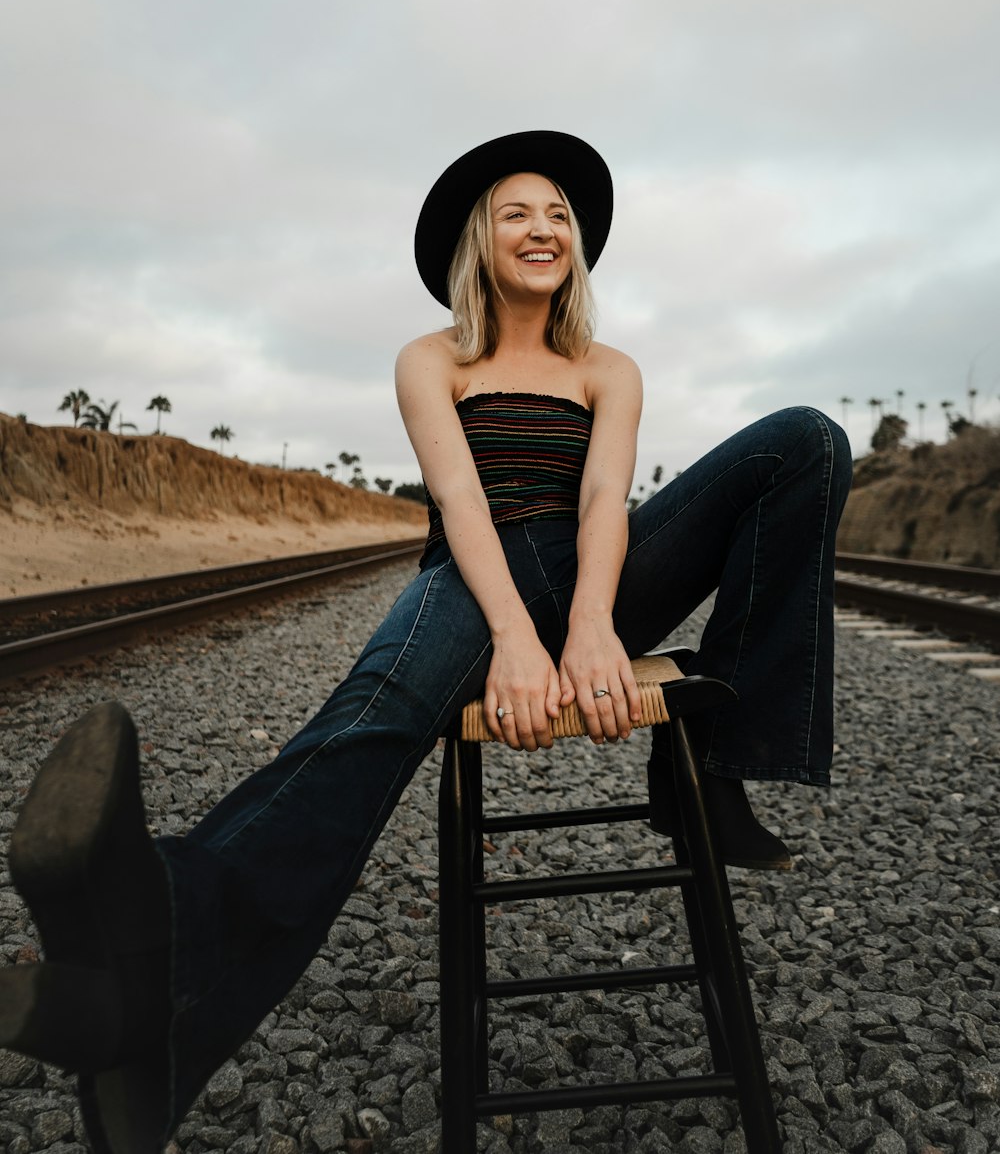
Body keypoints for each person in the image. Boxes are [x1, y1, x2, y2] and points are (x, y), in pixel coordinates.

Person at [0, 130, 852, 1153]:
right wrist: (514, 640)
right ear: (476, 243)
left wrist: (587, 627)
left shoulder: (609, 366)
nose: (542, 228)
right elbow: (459, 500)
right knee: (373, 714)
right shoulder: (433, 358)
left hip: (595, 575)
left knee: (804, 438)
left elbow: (600, 502)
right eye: (516, 212)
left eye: (559, 215)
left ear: (576, 245)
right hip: (472, 574)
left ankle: (716, 765)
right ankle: (149, 998)